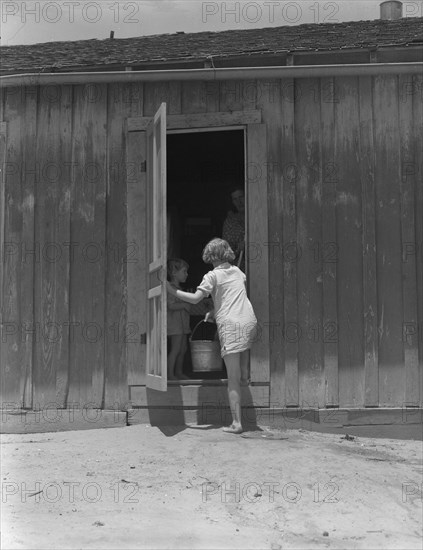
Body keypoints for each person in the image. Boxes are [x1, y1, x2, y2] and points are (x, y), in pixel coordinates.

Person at [166, 239, 257, 434]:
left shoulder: (212, 276)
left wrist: (170, 290)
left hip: (231, 325)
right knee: (242, 374)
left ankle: (237, 423)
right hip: (248, 320)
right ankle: (247, 389)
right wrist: (215, 311)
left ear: (212, 256)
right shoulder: (239, 273)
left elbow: (196, 298)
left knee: (232, 378)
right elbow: (232, 297)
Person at [167, 258, 191, 380]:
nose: (186, 274)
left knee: (183, 349)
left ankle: (179, 372)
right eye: (184, 271)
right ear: (174, 273)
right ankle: (170, 374)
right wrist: (184, 305)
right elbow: (170, 305)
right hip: (174, 325)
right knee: (175, 349)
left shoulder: (179, 289)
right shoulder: (170, 288)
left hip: (182, 325)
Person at [222, 187, 245, 270]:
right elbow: (226, 253)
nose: (239, 202)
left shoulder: (257, 217)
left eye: (241, 197)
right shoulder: (230, 222)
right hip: (239, 269)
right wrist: (239, 249)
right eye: (235, 199)